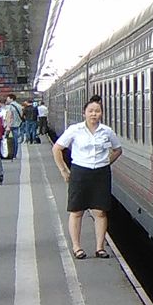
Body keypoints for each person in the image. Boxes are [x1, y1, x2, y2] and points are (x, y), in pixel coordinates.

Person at [53, 95, 122, 259]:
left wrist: (106, 162)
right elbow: (57, 148)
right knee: (77, 211)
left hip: (101, 173)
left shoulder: (107, 131)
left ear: (102, 113)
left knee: (100, 212)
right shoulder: (75, 130)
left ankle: (100, 248)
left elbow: (118, 150)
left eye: (97, 111)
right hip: (80, 172)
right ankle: (77, 247)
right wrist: (64, 170)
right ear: (84, 113)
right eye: (90, 111)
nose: (94, 114)